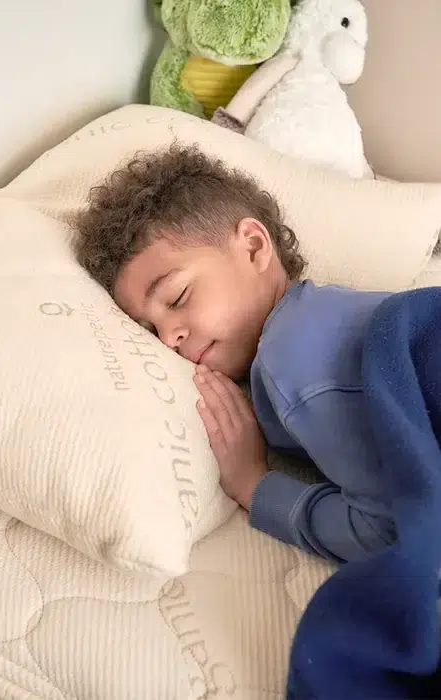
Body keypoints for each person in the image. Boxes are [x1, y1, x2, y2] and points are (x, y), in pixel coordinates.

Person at [73, 143, 395, 564]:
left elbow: (395, 531)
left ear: (253, 247)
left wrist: (253, 485)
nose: (169, 338)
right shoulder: (329, 312)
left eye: (177, 297)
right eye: (150, 330)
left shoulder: (291, 355)